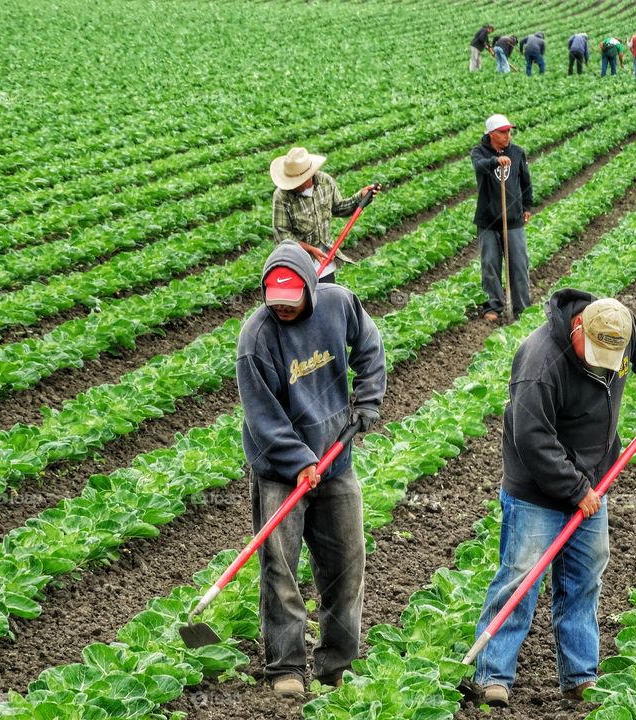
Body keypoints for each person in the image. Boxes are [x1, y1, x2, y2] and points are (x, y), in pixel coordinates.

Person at [473, 289, 636, 708]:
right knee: (521, 577)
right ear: (578, 329)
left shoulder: (619, 326)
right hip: (537, 490)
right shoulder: (539, 363)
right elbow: (533, 440)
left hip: (594, 479)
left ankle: (580, 676)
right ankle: (492, 674)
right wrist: (576, 490)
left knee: (583, 580)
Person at [236, 242, 387, 699]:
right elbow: (262, 417)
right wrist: (300, 462)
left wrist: (368, 399)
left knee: (346, 563)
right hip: (280, 472)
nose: (283, 310)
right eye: (274, 303)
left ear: (310, 289)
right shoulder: (256, 338)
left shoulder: (338, 304)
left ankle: (336, 663)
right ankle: (286, 666)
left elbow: (370, 347)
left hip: (336, 462)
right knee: (280, 570)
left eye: (291, 301)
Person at [271, 147, 380, 284]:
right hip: (297, 265)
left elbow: (339, 208)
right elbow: (282, 236)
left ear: (309, 175)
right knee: (302, 303)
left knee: (326, 300)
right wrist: (310, 249)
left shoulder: (325, 183)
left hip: (325, 262)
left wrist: (360, 197)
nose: (292, 186)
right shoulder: (281, 196)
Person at [471, 114, 533, 323]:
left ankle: (522, 308)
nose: (508, 135)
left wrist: (527, 206)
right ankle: (493, 306)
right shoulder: (479, 153)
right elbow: (479, 166)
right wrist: (495, 161)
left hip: (513, 219)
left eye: (509, 131)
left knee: (519, 264)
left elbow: (525, 181)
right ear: (491, 134)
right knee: (490, 264)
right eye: (503, 132)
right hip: (488, 220)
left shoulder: (517, 152)